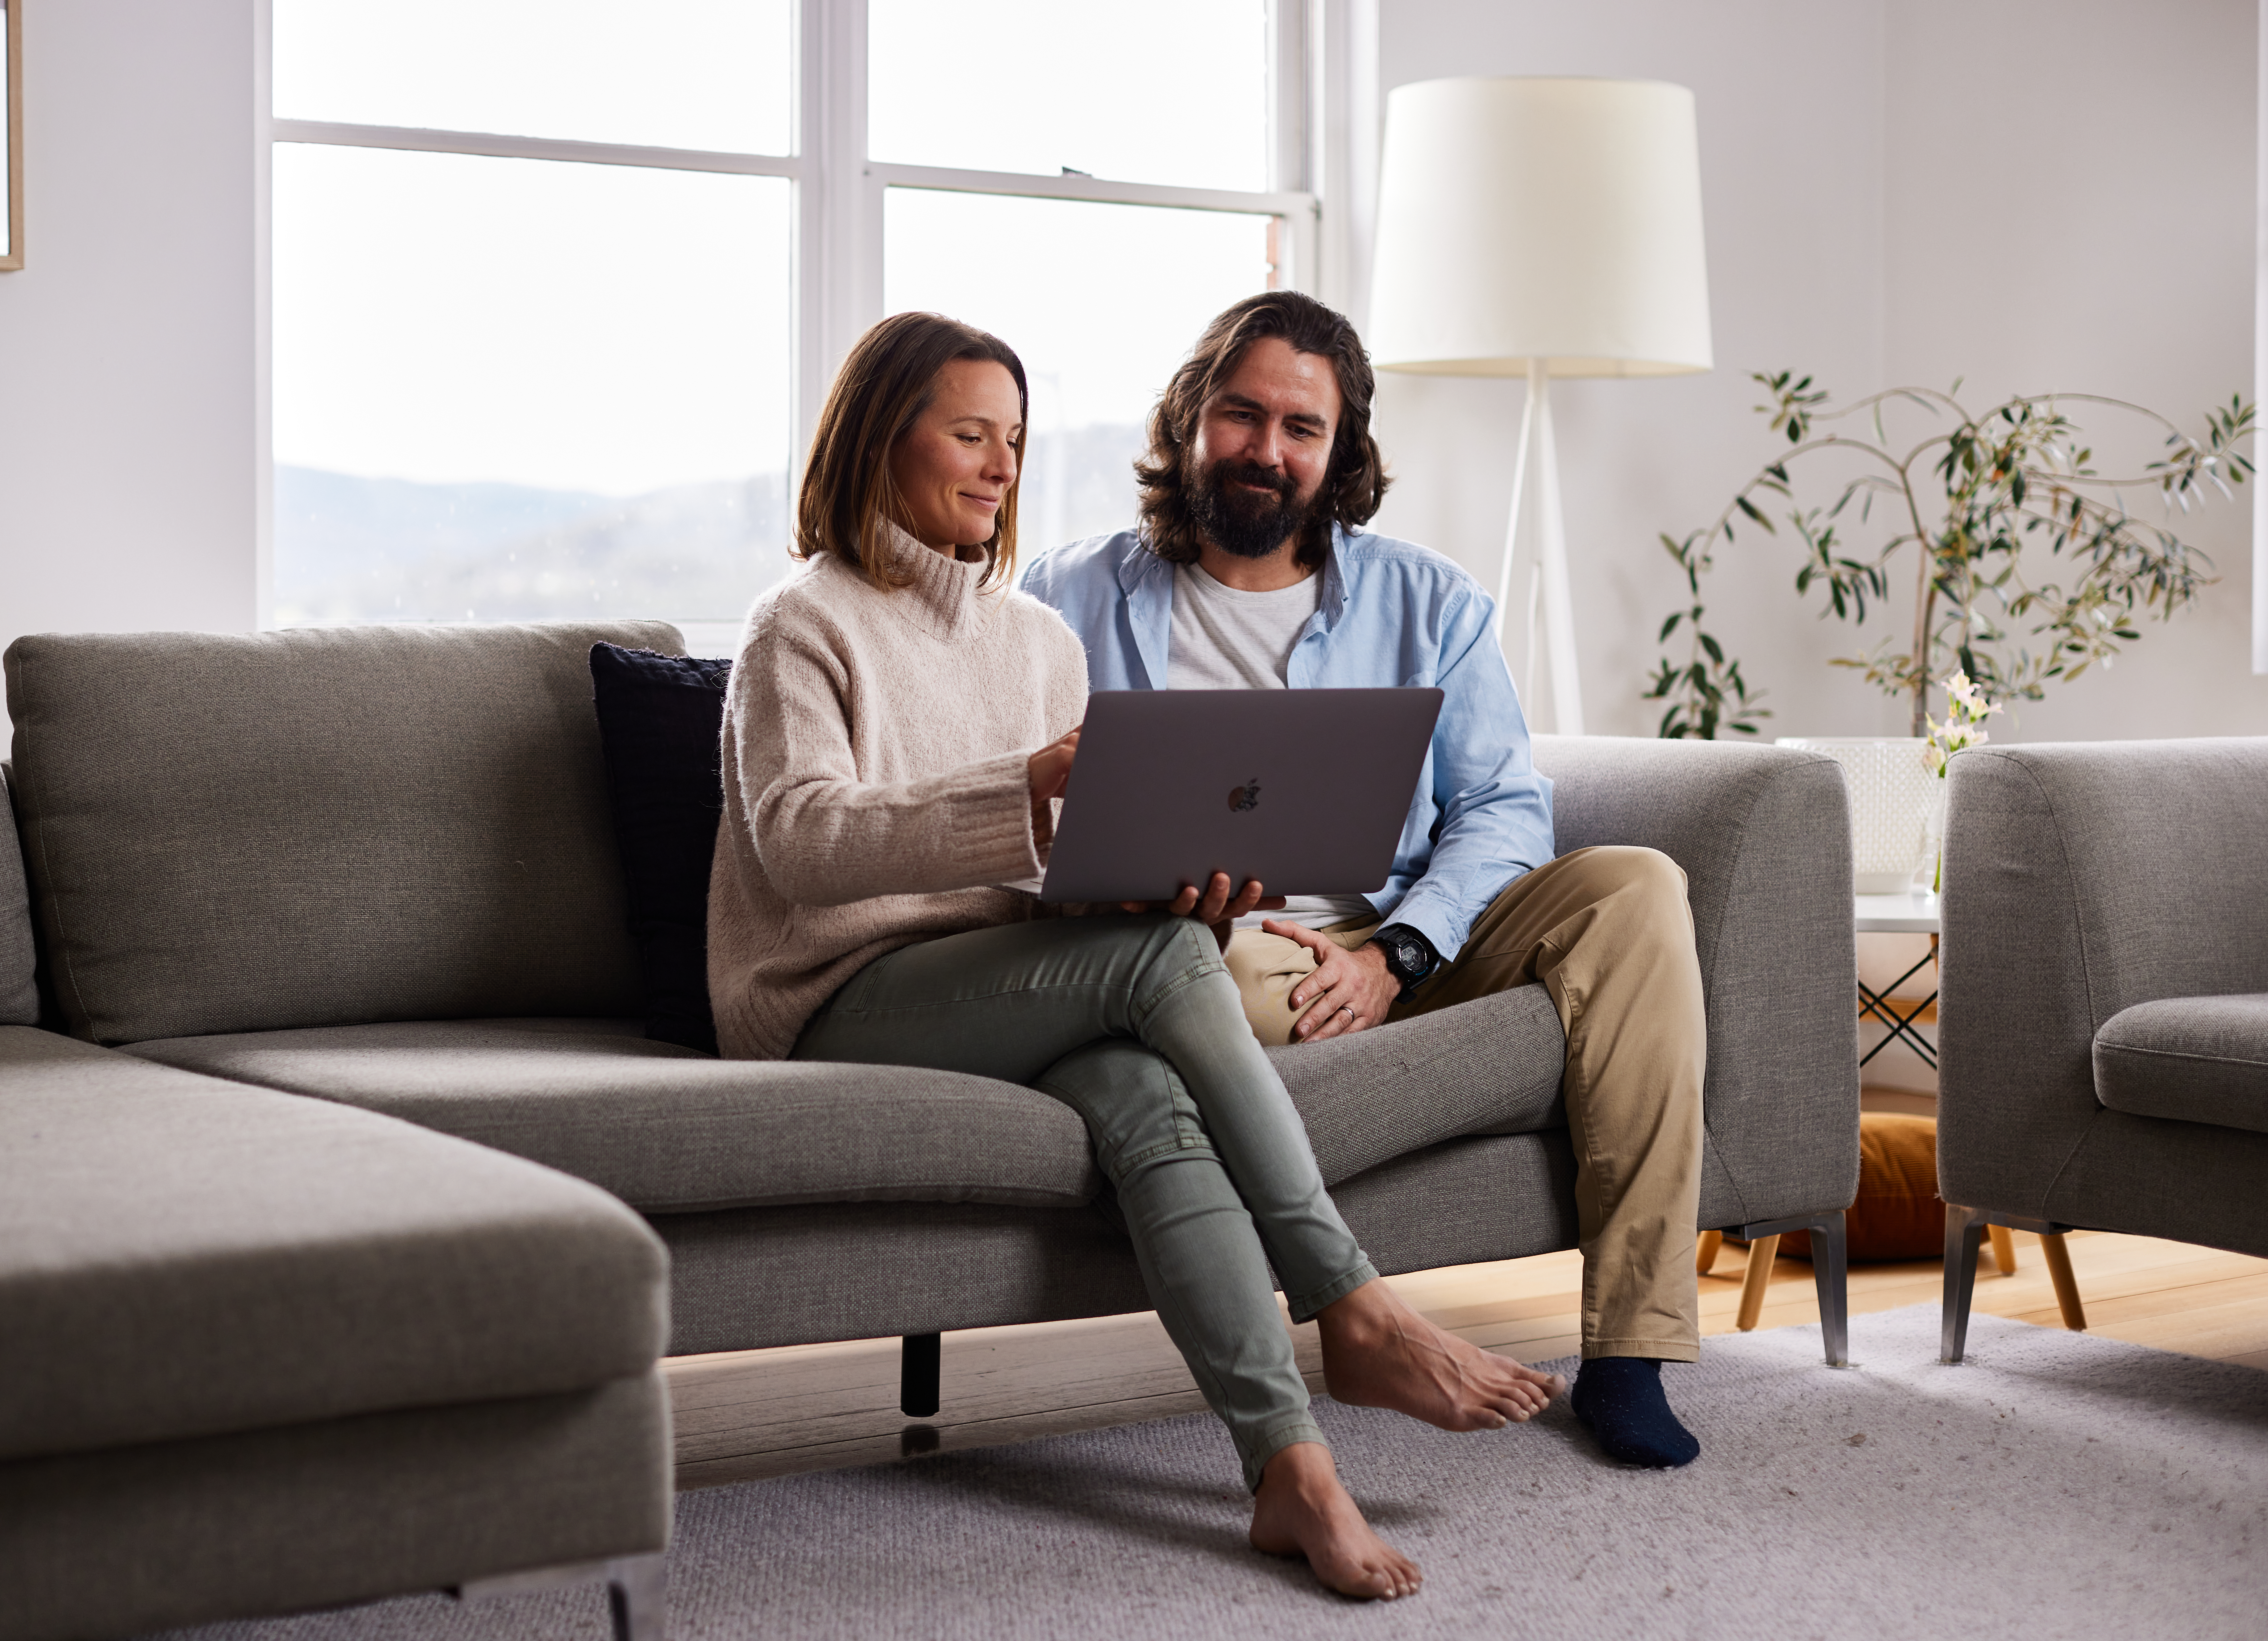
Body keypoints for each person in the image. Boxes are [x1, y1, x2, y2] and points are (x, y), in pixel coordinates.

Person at [710, 311, 1568, 1602]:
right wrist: (1021, 793)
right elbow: (799, 843)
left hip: (999, 985)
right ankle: (1354, 1302)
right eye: (968, 435)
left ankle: (1290, 1470)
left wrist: (1161, 887)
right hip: (832, 992)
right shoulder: (802, 624)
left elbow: (1051, 875)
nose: (999, 467)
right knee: (1161, 964)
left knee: (1147, 1098)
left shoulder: (1036, 640)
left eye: (1013, 439)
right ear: (880, 438)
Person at [1021, 290, 1709, 1471]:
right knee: (1211, 972)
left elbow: (1504, 808)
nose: (1267, 449)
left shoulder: (1430, 602)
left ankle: (1632, 1351)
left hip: (1404, 931)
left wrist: (1399, 955)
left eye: (1302, 428)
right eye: (1242, 415)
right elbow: (1022, 811)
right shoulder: (1065, 593)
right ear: (1189, 419)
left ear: (1340, 453)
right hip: (1202, 949)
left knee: (1636, 885)